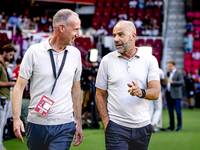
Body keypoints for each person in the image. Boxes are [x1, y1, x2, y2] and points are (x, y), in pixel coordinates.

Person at [12, 9, 83, 150]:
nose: (78, 34)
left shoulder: (75, 54)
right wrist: (16, 118)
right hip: (36, 123)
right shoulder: (33, 52)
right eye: (75, 29)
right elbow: (19, 87)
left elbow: (76, 90)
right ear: (62, 28)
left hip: (64, 124)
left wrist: (79, 122)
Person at [95, 21, 160, 150]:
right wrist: (106, 122)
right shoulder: (107, 60)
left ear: (133, 36)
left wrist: (141, 92)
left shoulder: (150, 60)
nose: (116, 39)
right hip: (116, 127)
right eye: (114, 35)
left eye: (120, 34)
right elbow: (99, 93)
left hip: (143, 127)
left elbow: (155, 92)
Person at [0, 44, 16, 150]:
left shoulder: (4, 65)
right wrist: (10, 84)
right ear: (4, 52)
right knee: (0, 124)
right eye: (10, 55)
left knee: (3, 124)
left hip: (5, 97)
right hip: (1, 98)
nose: (11, 57)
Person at [165, 60, 184, 131]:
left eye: (170, 66)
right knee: (170, 112)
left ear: (174, 66)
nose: (169, 67)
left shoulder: (178, 73)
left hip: (176, 95)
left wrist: (173, 82)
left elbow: (182, 82)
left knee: (178, 111)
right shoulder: (168, 74)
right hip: (169, 94)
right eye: (168, 66)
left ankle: (179, 126)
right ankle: (171, 126)